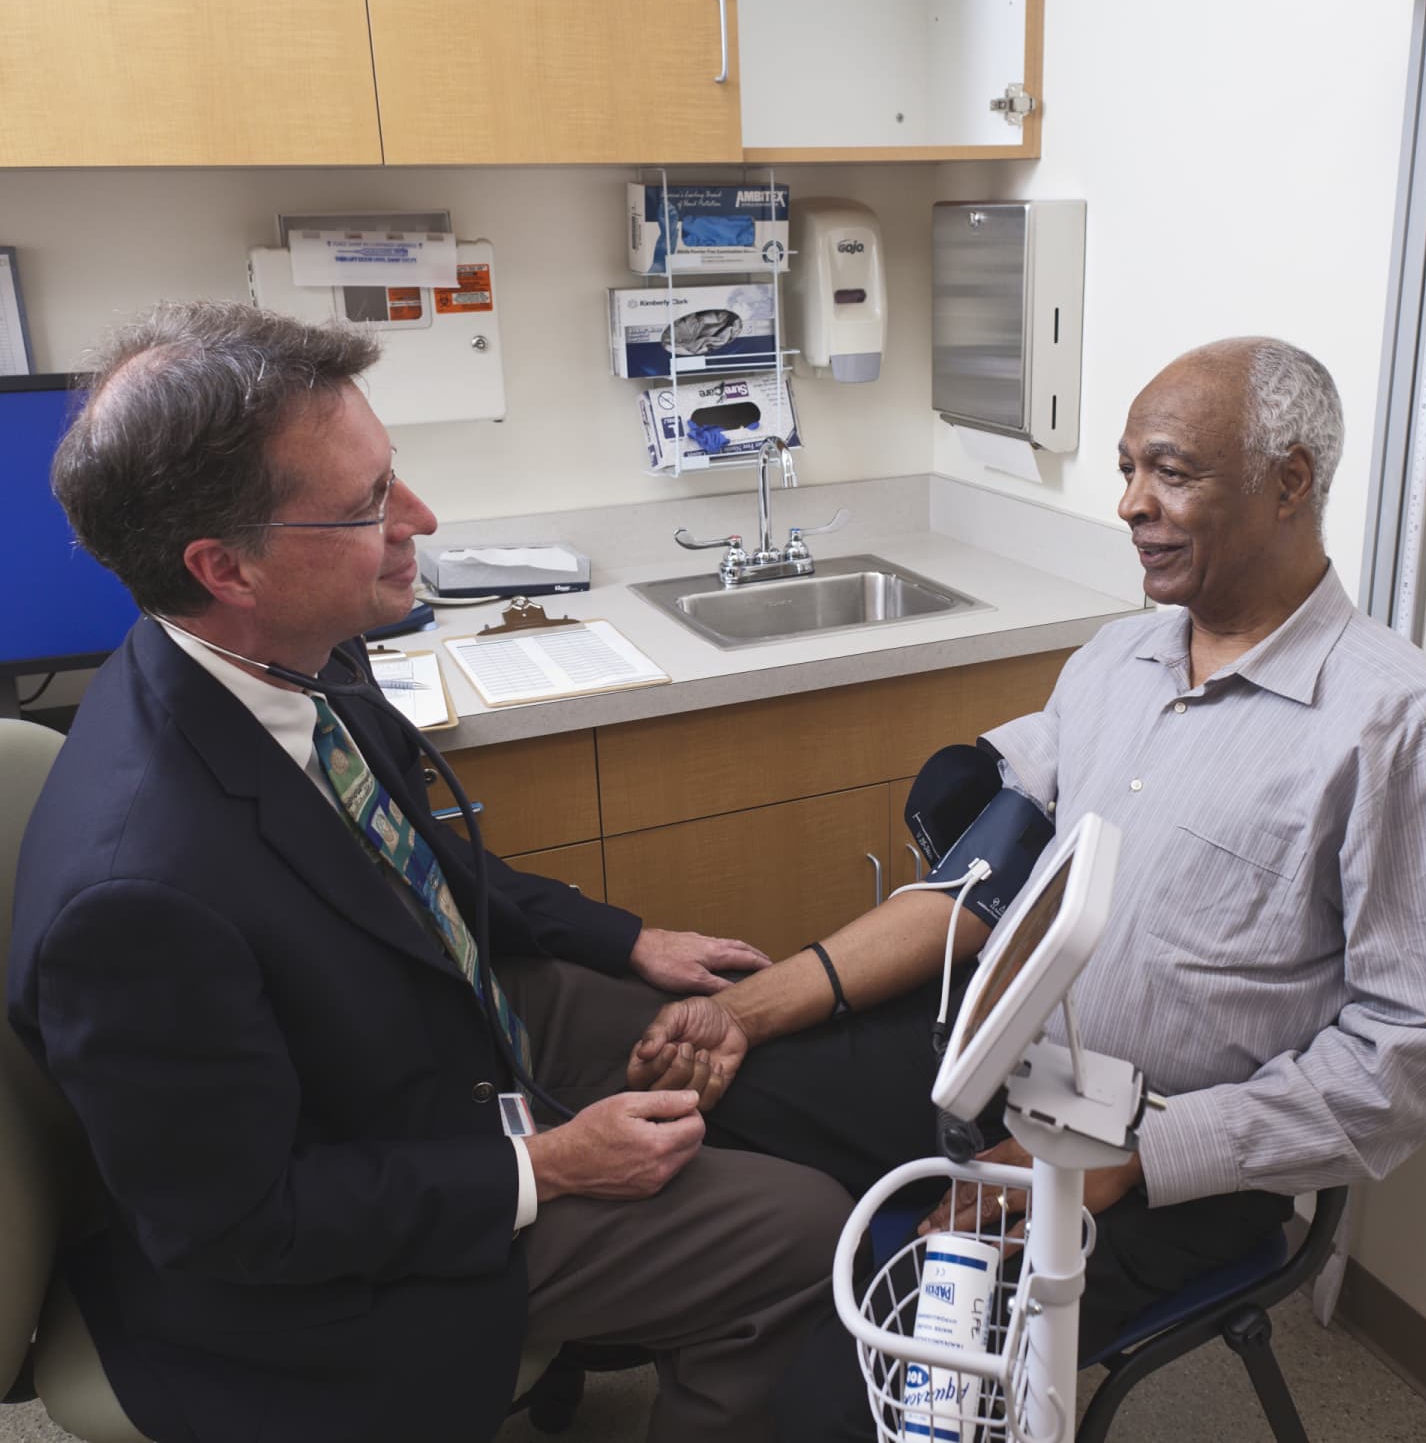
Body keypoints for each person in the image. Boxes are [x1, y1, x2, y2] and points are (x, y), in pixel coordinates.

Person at [6, 301, 855, 1443]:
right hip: (320, 1267)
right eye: (365, 508)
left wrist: (622, 939)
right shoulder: (140, 898)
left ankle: (665, 1289)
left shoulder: (282, 658)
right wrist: (545, 1168)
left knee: (707, 1029)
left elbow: (405, 860)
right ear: (227, 566)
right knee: (801, 1233)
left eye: (393, 475)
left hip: (395, 1052)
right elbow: (240, 1228)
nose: (420, 519)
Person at [624, 337, 1426, 1436]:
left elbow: (1410, 1053)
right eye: (1128, 469)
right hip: (995, 1066)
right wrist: (744, 1009)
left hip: (1169, 1158)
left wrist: (1131, 1161)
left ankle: (836, 1361)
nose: (1132, 503)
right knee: (710, 1104)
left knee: (849, 1411)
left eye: (1171, 472)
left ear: (1290, 484)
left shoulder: (1400, 730)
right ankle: (780, 1307)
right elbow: (973, 892)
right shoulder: (1114, 664)